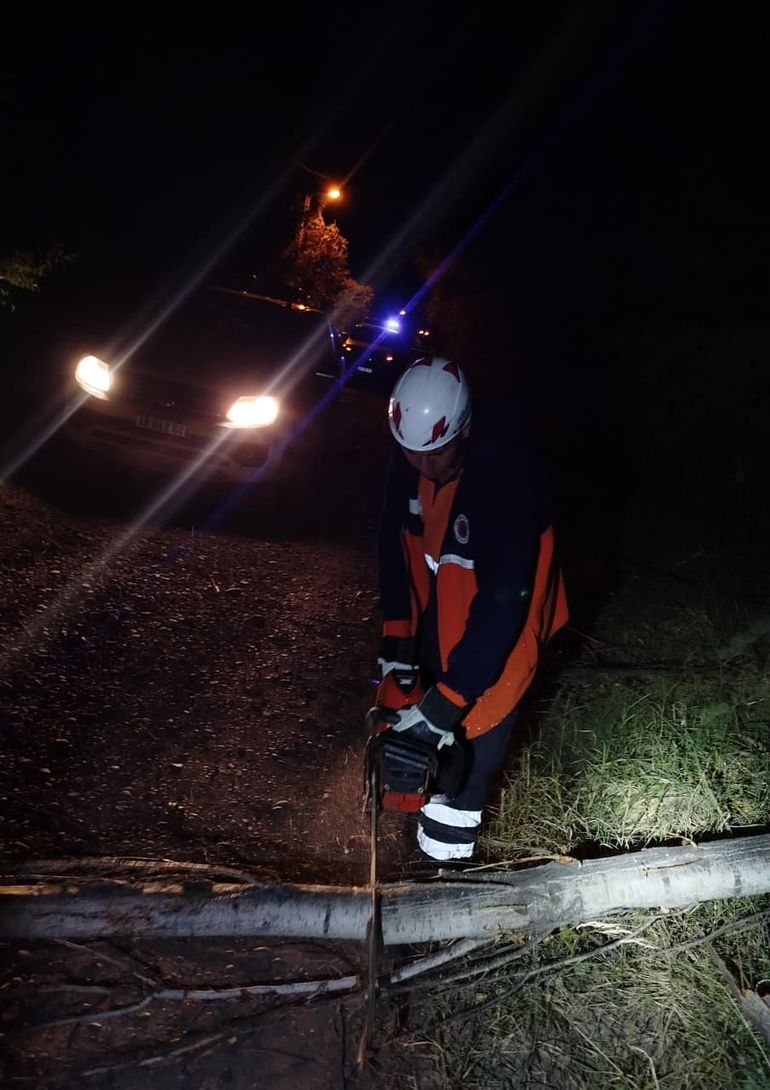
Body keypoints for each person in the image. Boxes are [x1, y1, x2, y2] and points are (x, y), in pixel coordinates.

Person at [371, 355, 569, 863]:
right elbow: (395, 545)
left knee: (466, 758)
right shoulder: (413, 455)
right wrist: (398, 636)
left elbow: (503, 602)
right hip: (446, 610)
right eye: (412, 453)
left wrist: (449, 700)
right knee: (417, 744)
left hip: (503, 634)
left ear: (464, 429)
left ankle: (446, 878)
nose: (424, 467)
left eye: (436, 454)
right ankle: (414, 843)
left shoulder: (506, 476)